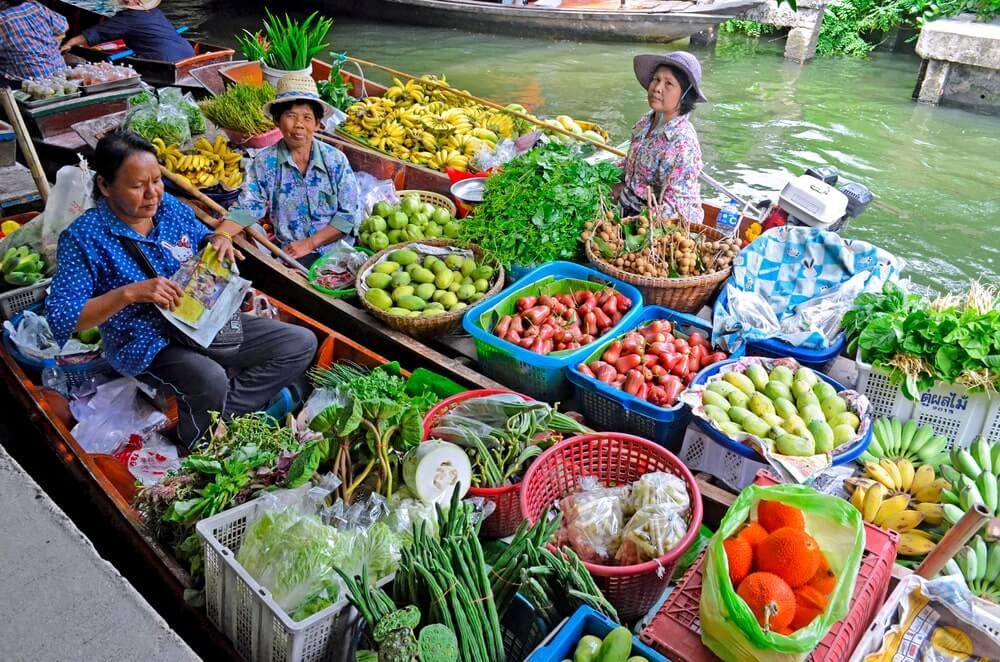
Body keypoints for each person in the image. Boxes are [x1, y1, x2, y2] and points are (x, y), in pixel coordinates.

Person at [47, 131, 317, 448]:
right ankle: (197, 443)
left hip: (203, 318)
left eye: (157, 181)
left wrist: (219, 241)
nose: (152, 194)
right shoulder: (83, 239)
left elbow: (202, 236)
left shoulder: (169, 207)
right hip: (146, 339)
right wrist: (130, 293)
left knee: (299, 343)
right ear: (105, 186)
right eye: (137, 186)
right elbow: (64, 318)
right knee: (209, 377)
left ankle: (222, 413)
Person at [223, 73, 361, 268]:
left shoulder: (335, 160)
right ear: (277, 121)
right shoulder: (264, 162)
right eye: (291, 116)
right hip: (291, 253)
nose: (299, 125)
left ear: (317, 124)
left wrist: (310, 243)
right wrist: (223, 233)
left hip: (335, 249)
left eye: (307, 117)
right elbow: (250, 206)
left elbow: (348, 216)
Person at [619, 51, 708, 224]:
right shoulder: (647, 120)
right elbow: (633, 164)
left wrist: (628, 226)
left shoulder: (682, 144)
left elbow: (672, 209)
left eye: (668, 83)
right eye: (656, 79)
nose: (657, 88)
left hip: (661, 223)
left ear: (685, 95)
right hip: (631, 204)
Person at [60, 0, 194, 63]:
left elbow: (96, 33)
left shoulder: (127, 18)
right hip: (189, 53)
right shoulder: (155, 12)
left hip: (165, 60)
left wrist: (69, 43)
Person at [0, 0, 67, 83]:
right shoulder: (35, 6)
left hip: (28, 83)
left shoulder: (2, 20)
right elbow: (64, 27)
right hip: (60, 74)